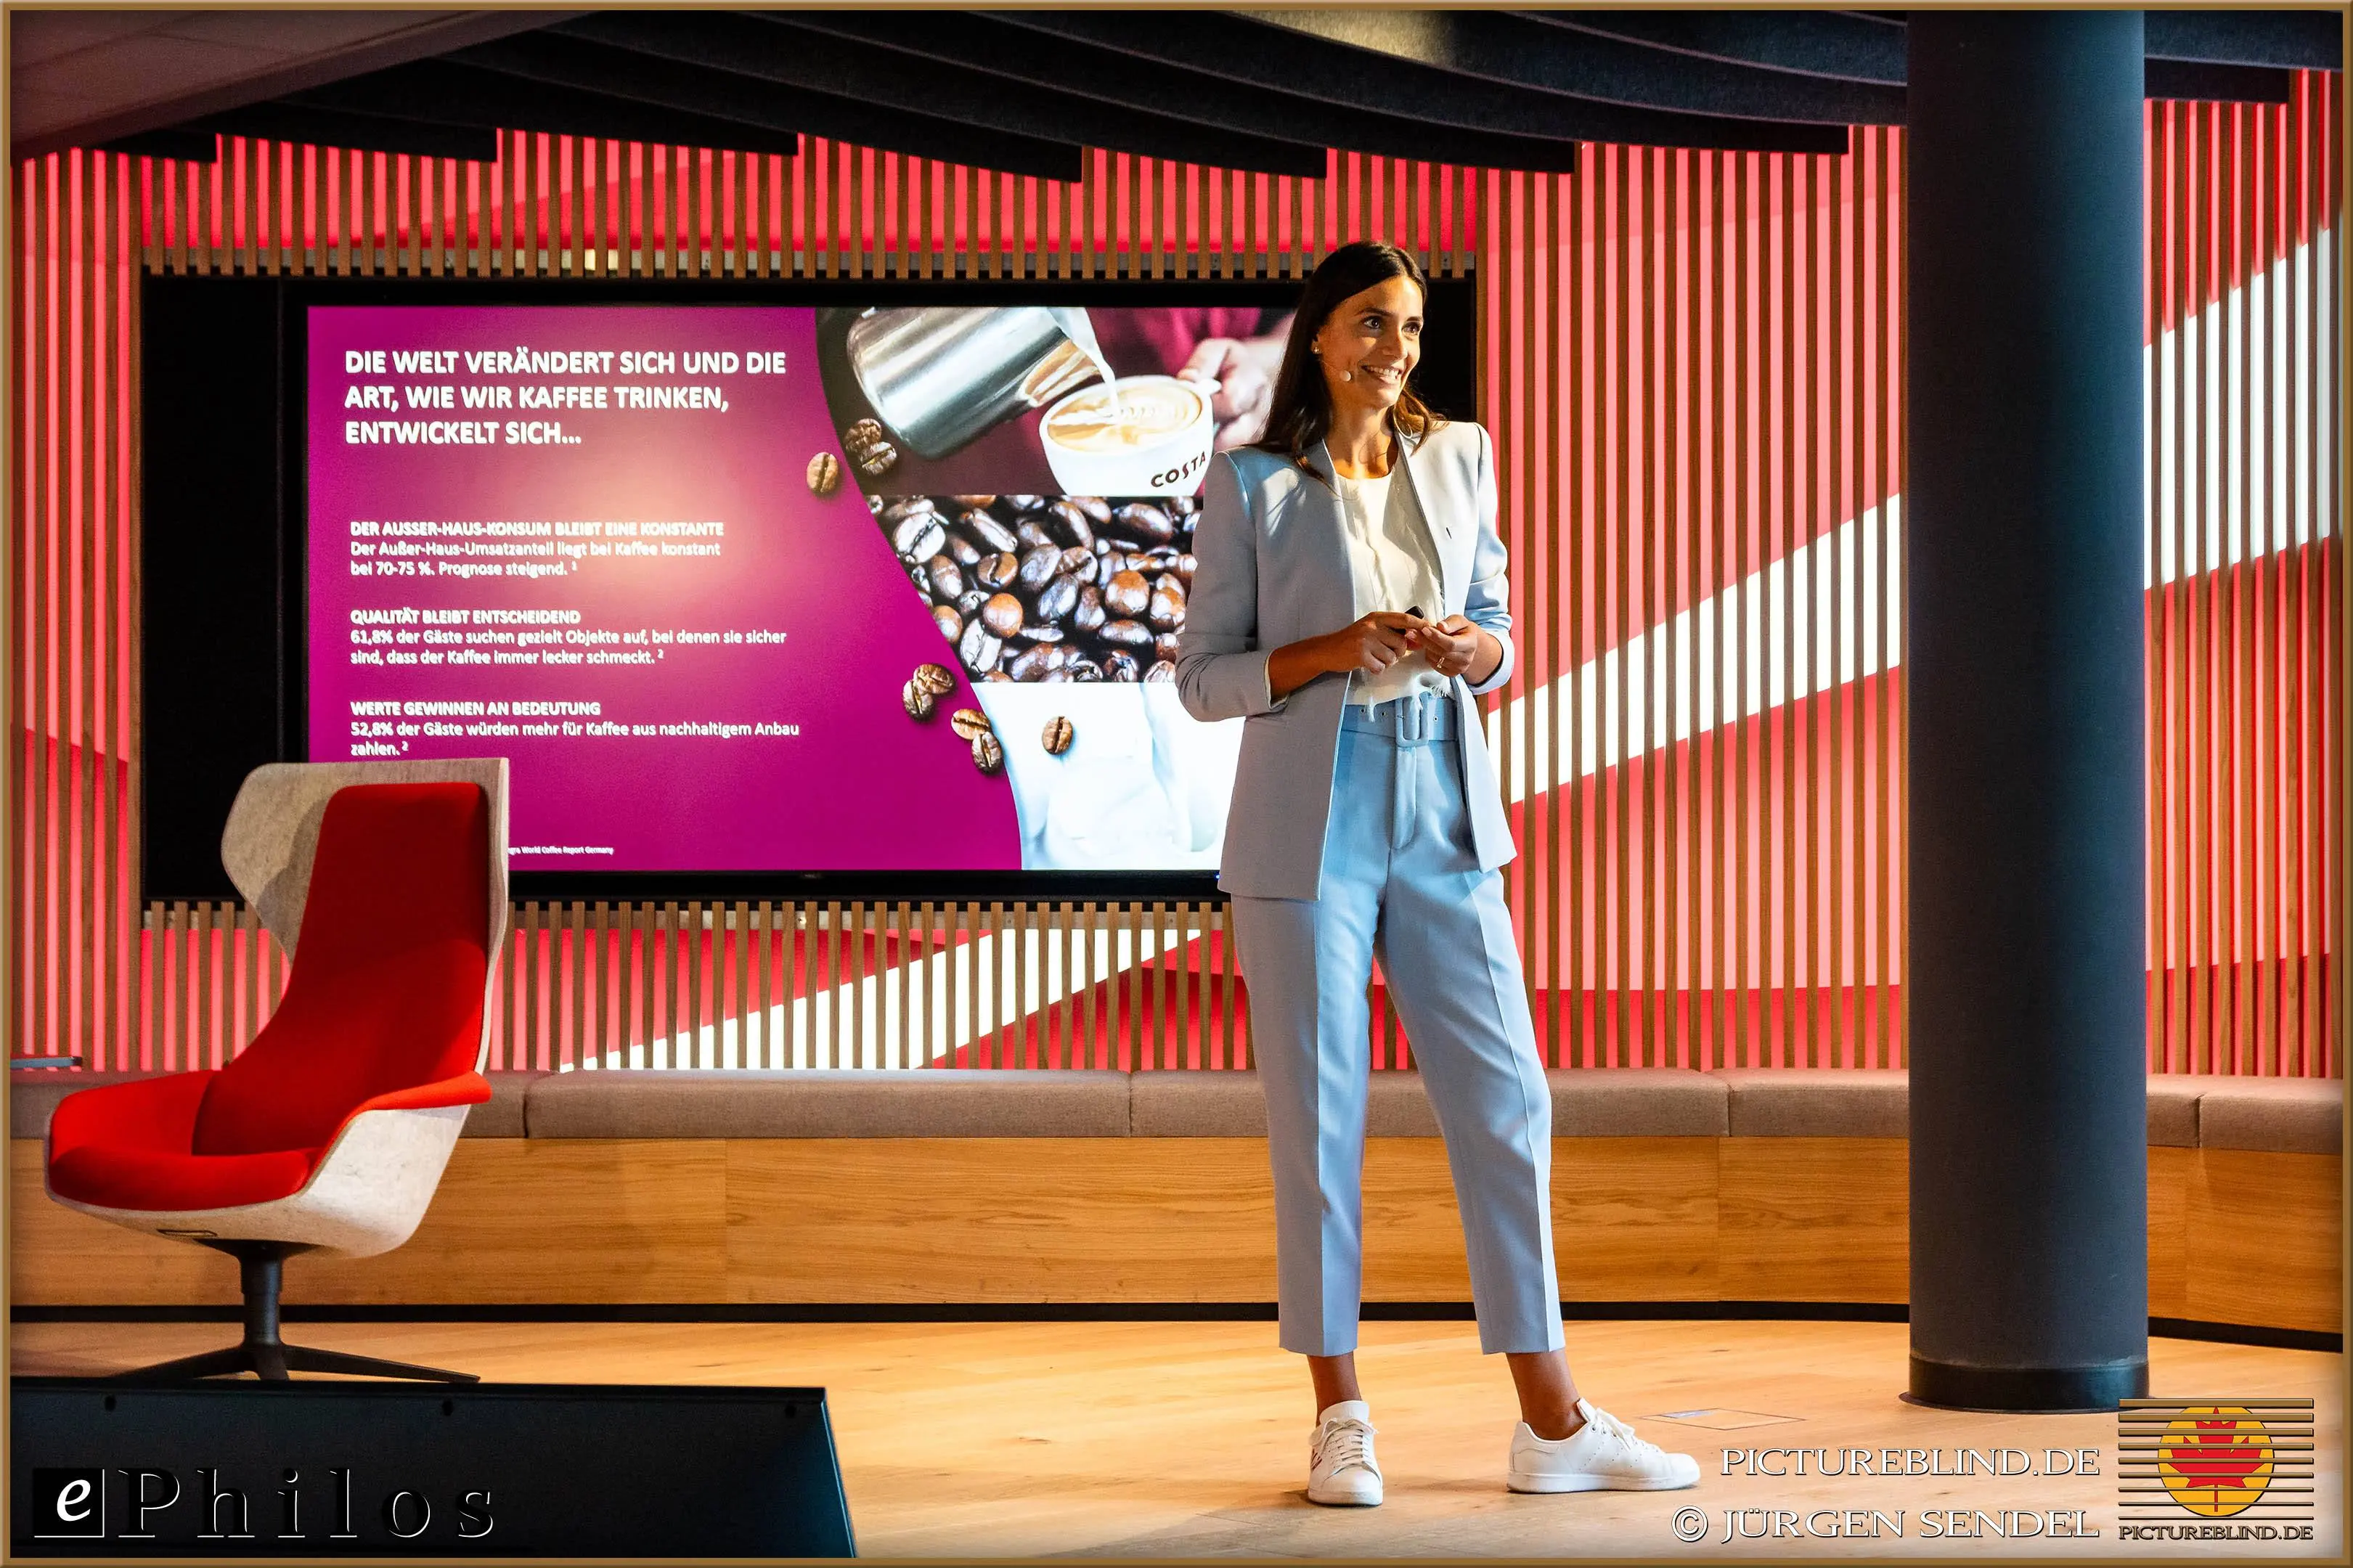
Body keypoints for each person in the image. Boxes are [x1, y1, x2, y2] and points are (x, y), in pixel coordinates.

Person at [1173, 241, 1701, 1508]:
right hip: (1311, 813)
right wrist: (1334, 648)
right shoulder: (1251, 486)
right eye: (1369, 324)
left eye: (1408, 328)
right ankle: (1340, 1415)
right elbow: (1203, 681)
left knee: (1510, 1106)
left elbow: (1501, 631)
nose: (1395, 348)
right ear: (1315, 335)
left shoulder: (1460, 454)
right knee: (1319, 1124)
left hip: (1448, 812)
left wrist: (1474, 650)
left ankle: (1554, 1422)